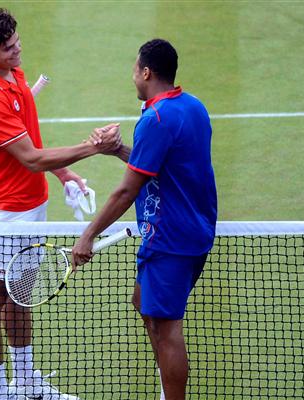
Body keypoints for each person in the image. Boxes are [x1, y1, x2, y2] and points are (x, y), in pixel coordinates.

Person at [0, 7, 122, 400]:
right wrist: (92, 148)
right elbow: (30, 157)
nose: (17, 50)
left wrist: (63, 173)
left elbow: (30, 142)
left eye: (16, 41)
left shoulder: (13, 74)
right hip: (4, 213)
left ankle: (27, 383)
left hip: (32, 204)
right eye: (7, 47)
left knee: (21, 290)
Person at [71, 39, 217, 400]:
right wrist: (118, 149)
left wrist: (88, 234)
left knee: (166, 331)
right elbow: (162, 168)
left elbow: (126, 192)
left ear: (147, 72)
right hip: (192, 231)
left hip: (170, 239)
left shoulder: (156, 119)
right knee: (142, 303)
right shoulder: (193, 107)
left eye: (136, 69)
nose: (133, 75)